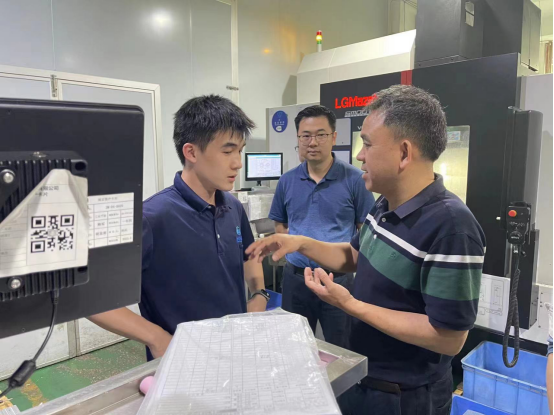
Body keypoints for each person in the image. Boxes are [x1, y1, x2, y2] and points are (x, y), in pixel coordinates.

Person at [247, 85, 486, 415]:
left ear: (404, 153)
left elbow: (448, 337)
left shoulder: (452, 227)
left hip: (405, 395)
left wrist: (350, 304)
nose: (360, 155)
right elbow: (354, 256)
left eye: (368, 144)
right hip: (366, 377)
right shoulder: (385, 204)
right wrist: (299, 242)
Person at [89, 95, 267, 360]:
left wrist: (259, 293)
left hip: (235, 349)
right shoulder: (152, 218)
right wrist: (156, 337)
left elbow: (249, 255)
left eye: (240, 151)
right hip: (182, 361)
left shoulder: (233, 207)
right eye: (227, 151)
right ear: (191, 152)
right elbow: (91, 297)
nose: (238, 162)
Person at [269, 105, 374, 349]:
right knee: (294, 346)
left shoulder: (355, 180)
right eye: (305, 135)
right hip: (296, 279)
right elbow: (280, 224)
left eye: (321, 135)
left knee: (342, 348)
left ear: (333, 137)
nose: (312, 142)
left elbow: (366, 232)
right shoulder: (287, 181)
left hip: (337, 280)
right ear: (298, 138)